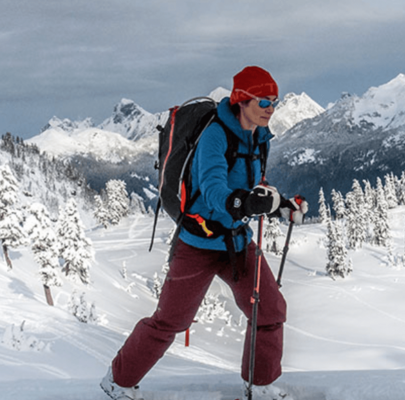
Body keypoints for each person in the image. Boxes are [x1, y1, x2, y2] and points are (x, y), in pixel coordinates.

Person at [101, 66, 307, 400]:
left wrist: (280, 203)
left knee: (269, 310)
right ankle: (118, 381)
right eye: (264, 100)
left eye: (275, 101)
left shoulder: (259, 137)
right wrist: (244, 202)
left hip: (237, 241)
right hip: (198, 243)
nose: (271, 107)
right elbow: (213, 187)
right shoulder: (214, 135)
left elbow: (254, 186)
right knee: (171, 320)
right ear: (242, 99)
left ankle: (261, 385)